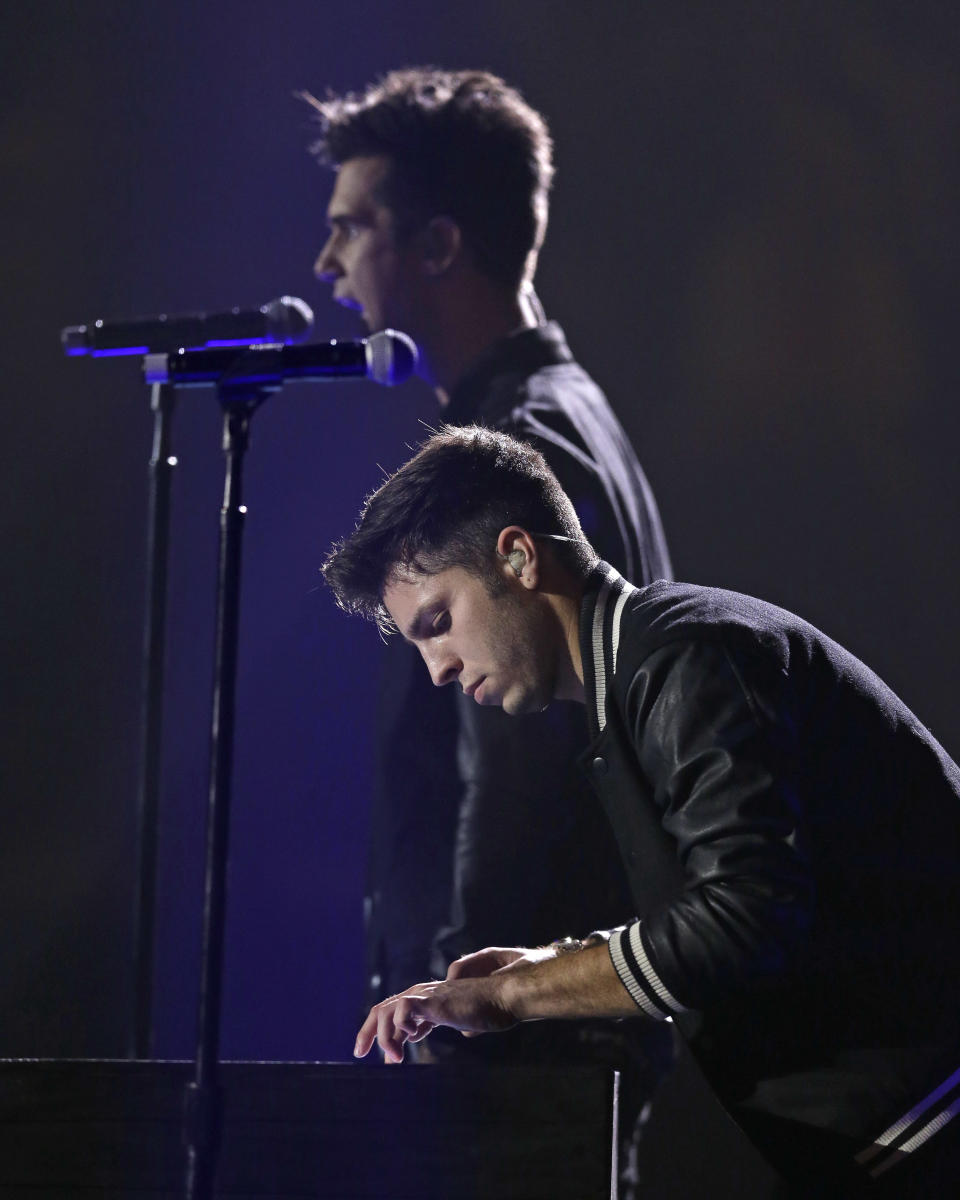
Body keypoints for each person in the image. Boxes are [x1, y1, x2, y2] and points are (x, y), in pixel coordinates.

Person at [323, 425, 960, 1198]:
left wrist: (508, 996)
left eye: (438, 622)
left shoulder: (687, 659)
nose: (437, 669)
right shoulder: (640, 678)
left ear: (518, 557)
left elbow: (743, 920)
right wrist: (545, 965)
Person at [305, 68, 673, 1190]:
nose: (326, 266)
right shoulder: (565, 412)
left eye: (352, 227)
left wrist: (463, 995)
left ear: (439, 244)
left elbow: (513, 765)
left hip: (524, 1032)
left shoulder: (528, 450)